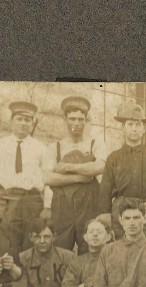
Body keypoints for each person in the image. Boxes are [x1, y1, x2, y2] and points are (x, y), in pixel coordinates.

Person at [99, 101, 146, 241]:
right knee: (120, 255)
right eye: (130, 124)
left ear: (144, 129)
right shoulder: (114, 158)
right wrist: (106, 221)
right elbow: (104, 191)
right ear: (123, 127)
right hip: (120, 215)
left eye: (138, 125)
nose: (134, 129)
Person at [0, 101, 46, 255]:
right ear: (11, 122)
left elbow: (47, 180)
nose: (23, 123)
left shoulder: (41, 147)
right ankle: (10, 278)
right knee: (8, 241)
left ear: (33, 123)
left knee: (32, 242)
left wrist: (47, 205)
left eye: (28, 120)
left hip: (33, 201)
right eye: (19, 119)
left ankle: (30, 278)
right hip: (7, 199)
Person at [42, 95, 107, 254]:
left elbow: (100, 167)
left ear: (86, 120)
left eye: (80, 119)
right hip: (62, 207)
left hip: (89, 204)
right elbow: (47, 178)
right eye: (72, 119)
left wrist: (67, 167)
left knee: (91, 249)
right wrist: (80, 177)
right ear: (65, 119)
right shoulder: (54, 147)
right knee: (59, 251)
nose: (76, 123)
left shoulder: (95, 143)